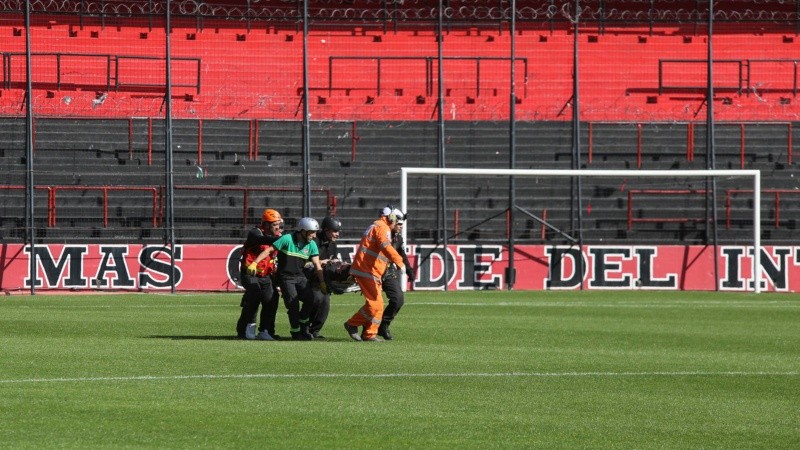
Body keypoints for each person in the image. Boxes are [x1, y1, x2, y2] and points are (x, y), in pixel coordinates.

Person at [344, 205, 406, 342]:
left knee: (378, 304)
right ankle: (352, 323)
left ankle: (370, 334)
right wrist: (399, 262)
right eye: (397, 221)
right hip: (366, 269)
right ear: (391, 218)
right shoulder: (382, 227)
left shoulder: (378, 226)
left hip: (371, 270)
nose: (398, 224)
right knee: (375, 304)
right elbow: (386, 247)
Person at [271, 217, 328, 340]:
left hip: (300, 277)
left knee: (311, 299)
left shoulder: (312, 244)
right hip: (286, 278)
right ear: (303, 231)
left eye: (315, 233)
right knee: (293, 305)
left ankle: (303, 326)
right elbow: (269, 251)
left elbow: (317, 265)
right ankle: (295, 331)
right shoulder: (286, 239)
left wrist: (322, 282)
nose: (314, 236)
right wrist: (255, 263)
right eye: (312, 232)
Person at [235, 209, 283, 340]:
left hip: (266, 276)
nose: (278, 227)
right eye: (274, 224)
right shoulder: (255, 233)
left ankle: (266, 331)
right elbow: (262, 239)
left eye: (278, 224)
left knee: (272, 299)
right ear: (266, 224)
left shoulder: (278, 236)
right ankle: (246, 328)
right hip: (250, 274)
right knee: (254, 296)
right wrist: (280, 239)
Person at [377, 209, 414, 341]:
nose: (401, 227)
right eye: (399, 224)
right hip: (374, 271)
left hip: (388, 272)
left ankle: (383, 326)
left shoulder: (398, 238)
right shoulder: (380, 232)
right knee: (374, 304)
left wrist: (409, 270)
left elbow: (401, 255)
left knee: (398, 300)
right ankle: (367, 329)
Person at [307, 216, 342, 339]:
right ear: (326, 230)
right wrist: (323, 261)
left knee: (325, 304)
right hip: (308, 278)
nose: (337, 234)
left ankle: (314, 330)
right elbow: (305, 263)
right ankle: (305, 328)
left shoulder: (333, 245)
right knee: (316, 299)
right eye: (335, 231)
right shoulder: (313, 242)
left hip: (323, 279)